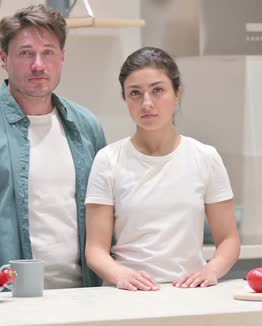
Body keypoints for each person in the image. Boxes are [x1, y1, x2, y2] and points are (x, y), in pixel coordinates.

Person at [0, 5, 106, 289]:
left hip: (84, 297)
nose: (38, 64)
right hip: (2, 301)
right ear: (4, 58)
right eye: (26, 53)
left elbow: (105, 221)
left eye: (48, 52)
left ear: (62, 57)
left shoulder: (87, 127)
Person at [85, 47, 240, 291]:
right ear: (125, 98)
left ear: (177, 93)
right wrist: (120, 275)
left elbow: (229, 239)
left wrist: (211, 270)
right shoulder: (108, 160)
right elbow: (95, 249)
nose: (146, 103)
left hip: (190, 294)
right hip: (127, 296)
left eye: (158, 90)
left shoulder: (205, 157)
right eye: (135, 93)